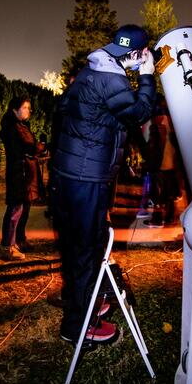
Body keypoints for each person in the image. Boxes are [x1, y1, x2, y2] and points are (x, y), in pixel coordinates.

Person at [51, 24, 156, 347]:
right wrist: (149, 76)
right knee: (87, 247)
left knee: (74, 245)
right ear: (137, 54)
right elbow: (138, 112)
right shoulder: (112, 78)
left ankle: (80, 300)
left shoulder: (91, 70)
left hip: (68, 173)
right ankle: (79, 324)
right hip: (87, 176)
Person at [0, 96, 45, 259]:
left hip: (25, 171)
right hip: (20, 173)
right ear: (14, 110)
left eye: (28, 107)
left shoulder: (21, 125)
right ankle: (8, 245)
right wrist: (41, 146)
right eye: (25, 107)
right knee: (16, 208)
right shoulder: (13, 127)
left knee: (25, 206)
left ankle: (20, 239)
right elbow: (30, 146)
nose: (29, 110)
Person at [145, 96, 183, 226]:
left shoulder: (158, 124)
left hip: (160, 163)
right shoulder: (173, 121)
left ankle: (159, 217)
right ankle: (169, 217)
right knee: (168, 192)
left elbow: (153, 145)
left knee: (158, 192)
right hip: (169, 162)